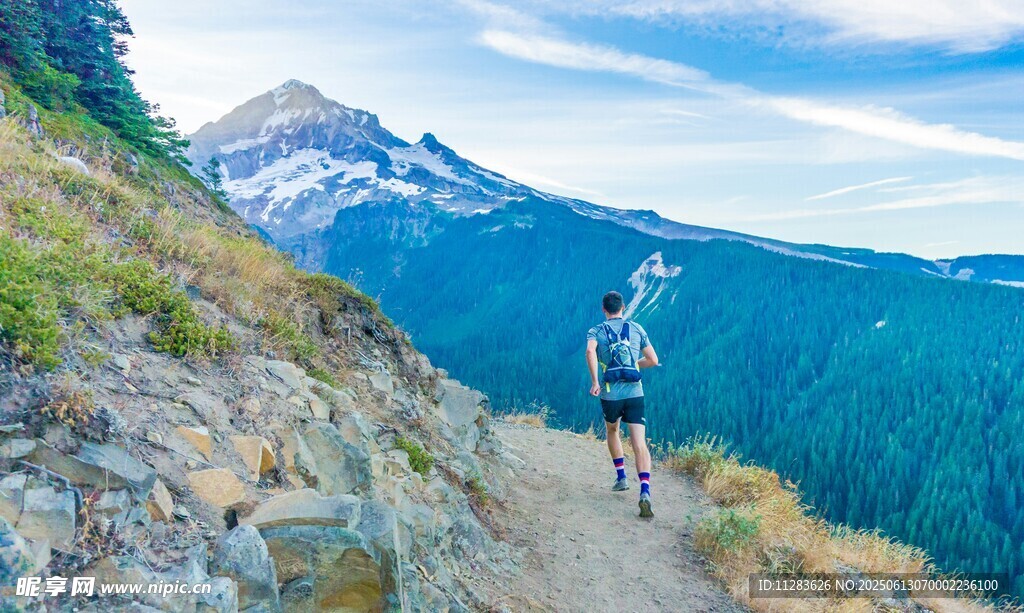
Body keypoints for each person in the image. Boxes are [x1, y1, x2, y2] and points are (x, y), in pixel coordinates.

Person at [585, 291, 659, 518]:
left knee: (613, 430)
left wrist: (595, 382)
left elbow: (590, 351)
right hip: (635, 393)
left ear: (603, 309)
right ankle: (644, 491)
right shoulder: (636, 328)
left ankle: (621, 477)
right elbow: (653, 360)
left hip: (611, 394)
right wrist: (634, 364)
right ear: (623, 307)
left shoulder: (596, 331)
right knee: (639, 443)